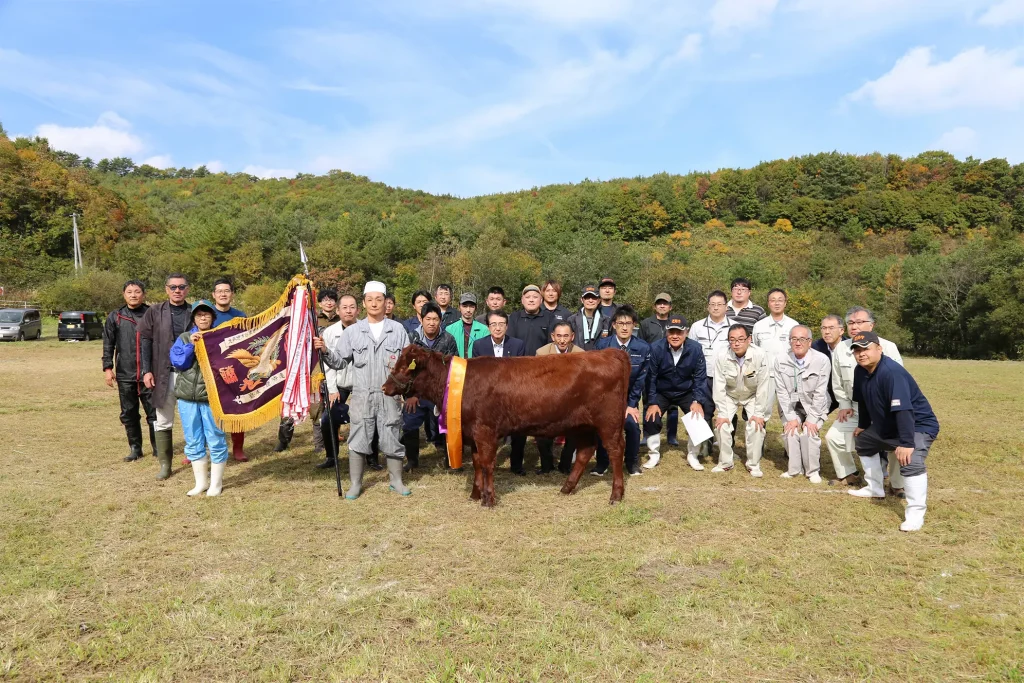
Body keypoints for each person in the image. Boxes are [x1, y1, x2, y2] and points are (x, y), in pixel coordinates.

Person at [315, 281, 412, 499]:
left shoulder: (397, 330)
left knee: (392, 434)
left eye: (379, 299)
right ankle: (356, 484)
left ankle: (396, 481)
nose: (375, 304)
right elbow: (339, 362)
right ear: (364, 303)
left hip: (389, 396)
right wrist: (325, 351)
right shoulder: (353, 332)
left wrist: (405, 389)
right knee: (358, 436)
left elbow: (407, 365)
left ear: (386, 303)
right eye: (370, 300)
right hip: (362, 395)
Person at [850, 331, 939, 531]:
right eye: (856, 350)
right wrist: (863, 424)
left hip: (918, 425)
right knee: (864, 441)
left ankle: (915, 513)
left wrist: (907, 443)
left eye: (865, 348)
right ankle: (875, 487)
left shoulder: (891, 372)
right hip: (890, 424)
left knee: (910, 460)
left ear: (879, 349)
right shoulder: (860, 370)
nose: (861, 354)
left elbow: (905, 410)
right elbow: (862, 401)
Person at [828, 306, 906, 492]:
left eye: (860, 322)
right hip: (856, 408)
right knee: (833, 437)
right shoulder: (841, 349)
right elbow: (837, 381)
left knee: (899, 443)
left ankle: (897, 485)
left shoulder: (888, 347)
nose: (855, 326)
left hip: (885, 410)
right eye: (851, 323)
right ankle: (848, 474)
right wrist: (844, 405)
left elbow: (899, 382)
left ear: (872, 325)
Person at [170, 300, 229, 497]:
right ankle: (201, 483)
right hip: (187, 398)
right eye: (198, 315)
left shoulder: (220, 338)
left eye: (206, 314)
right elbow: (178, 362)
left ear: (212, 317)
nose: (202, 317)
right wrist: (191, 346)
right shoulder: (185, 337)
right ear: (193, 318)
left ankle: (216, 483)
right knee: (193, 440)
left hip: (211, 399)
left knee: (215, 438)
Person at [275, 288, 342, 455]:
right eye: (325, 299)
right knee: (296, 402)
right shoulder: (311, 318)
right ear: (319, 303)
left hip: (331, 366)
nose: (329, 302)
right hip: (309, 366)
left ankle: (321, 444)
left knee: (323, 407)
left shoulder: (341, 321)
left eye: (332, 299)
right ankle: (283, 440)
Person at [643, 315, 713, 471]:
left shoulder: (695, 348)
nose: (675, 336)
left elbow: (700, 377)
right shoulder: (655, 348)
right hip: (662, 391)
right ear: (666, 332)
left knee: (698, 416)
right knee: (651, 417)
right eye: (671, 332)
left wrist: (697, 400)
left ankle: (693, 455)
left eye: (679, 332)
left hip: (685, 391)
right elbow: (651, 377)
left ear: (686, 333)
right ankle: (653, 454)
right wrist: (652, 402)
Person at [139, 273, 192, 480]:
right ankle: (165, 464)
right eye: (173, 287)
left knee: (193, 419)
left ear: (187, 289)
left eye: (181, 287)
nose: (177, 290)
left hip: (190, 374)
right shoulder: (154, 311)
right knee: (162, 419)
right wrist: (146, 370)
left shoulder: (195, 311)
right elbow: (145, 340)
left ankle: (195, 458)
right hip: (163, 373)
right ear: (166, 289)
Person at [102, 279, 156, 463]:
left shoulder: (152, 314)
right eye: (130, 292)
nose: (133, 295)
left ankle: (158, 447)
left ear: (144, 294)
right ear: (124, 294)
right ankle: (135, 448)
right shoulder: (115, 316)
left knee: (154, 413)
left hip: (149, 373)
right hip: (125, 373)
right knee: (129, 412)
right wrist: (108, 367)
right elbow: (108, 343)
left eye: (137, 291)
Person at [472, 310, 529, 475]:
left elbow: (522, 375)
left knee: (519, 431)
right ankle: (487, 464)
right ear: (488, 327)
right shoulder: (479, 345)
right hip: (487, 398)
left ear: (507, 326)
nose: (497, 328)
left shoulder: (518, 345)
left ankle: (517, 465)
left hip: (513, 397)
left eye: (501, 324)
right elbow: (476, 377)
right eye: (493, 324)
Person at [402, 302, 458, 472]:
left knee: (447, 424)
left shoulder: (448, 339)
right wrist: (410, 395)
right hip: (417, 394)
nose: (432, 323)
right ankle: (412, 460)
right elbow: (406, 370)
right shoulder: (411, 338)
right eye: (428, 319)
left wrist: (445, 396)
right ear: (421, 319)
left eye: (435, 319)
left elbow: (453, 367)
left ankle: (450, 458)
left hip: (440, 393)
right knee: (410, 423)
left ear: (440, 321)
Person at [595, 306, 650, 476]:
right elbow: (597, 377)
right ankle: (602, 463)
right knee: (602, 428)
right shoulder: (603, 345)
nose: (624, 327)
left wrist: (632, 404)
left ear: (634, 325)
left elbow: (640, 380)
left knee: (632, 426)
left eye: (628, 323)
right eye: (621, 323)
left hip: (628, 399)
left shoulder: (643, 348)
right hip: (605, 399)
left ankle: (631, 462)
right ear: (613, 325)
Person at [712, 324, 773, 477]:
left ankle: (753, 464)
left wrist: (759, 413)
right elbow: (718, 386)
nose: (736, 343)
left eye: (740, 339)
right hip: (729, 395)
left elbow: (764, 386)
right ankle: (726, 462)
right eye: (732, 340)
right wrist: (722, 413)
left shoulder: (760, 355)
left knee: (756, 425)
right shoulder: (721, 355)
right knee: (721, 425)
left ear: (749, 339)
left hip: (752, 395)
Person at [773, 326, 831, 483]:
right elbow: (782, 392)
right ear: (789, 341)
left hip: (815, 405)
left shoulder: (822, 360)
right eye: (794, 339)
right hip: (791, 405)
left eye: (802, 339)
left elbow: (821, 392)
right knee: (790, 430)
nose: (797, 343)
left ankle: (812, 471)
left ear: (809, 342)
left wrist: (812, 418)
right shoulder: (780, 360)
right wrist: (791, 417)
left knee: (808, 432)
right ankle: (794, 469)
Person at [315, 293, 358, 471]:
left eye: (352, 307)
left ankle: (370, 456)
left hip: (360, 383)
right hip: (339, 383)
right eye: (345, 308)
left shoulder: (365, 329)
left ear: (358, 310)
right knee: (327, 419)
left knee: (368, 417)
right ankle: (331, 456)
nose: (348, 311)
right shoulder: (330, 333)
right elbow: (329, 364)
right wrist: (332, 390)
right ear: (338, 311)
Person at [535, 321, 585, 474]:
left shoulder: (580, 354)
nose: (562, 340)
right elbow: (538, 381)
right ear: (552, 336)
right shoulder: (541, 353)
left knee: (574, 433)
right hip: (548, 400)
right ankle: (546, 465)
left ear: (572, 337)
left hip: (571, 402)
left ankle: (565, 465)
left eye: (566, 336)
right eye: (559, 336)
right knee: (542, 435)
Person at [210, 277, 249, 462]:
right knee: (208, 410)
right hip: (211, 370)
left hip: (235, 369)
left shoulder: (240, 316)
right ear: (213, 295)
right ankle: (201, 448)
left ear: (232, 294)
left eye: (226, 291)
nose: (223, 294)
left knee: (236, 407)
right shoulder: (207, 315)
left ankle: (238, 448)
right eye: (219, 291)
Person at [690, 290, 732, 449]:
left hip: (726, 377)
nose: (716, 308)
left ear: (726, 307)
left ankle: (726, 446)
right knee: (703, 411)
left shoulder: (733, 327)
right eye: (712, 304)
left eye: (719, 304)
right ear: (708, 307)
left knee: (727, 411)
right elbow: (691, 350)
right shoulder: (697, 326)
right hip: (703, 376)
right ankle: (703, 447)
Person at [812, 314, 845, 415]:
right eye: (824, 328)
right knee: (811, 418)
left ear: (841, 331)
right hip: (826, 391)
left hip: (847, 393)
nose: (827, 332)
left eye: (831, 328)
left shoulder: (851, 347)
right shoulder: (815, 347)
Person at [507, 285, 552, 356]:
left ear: (541, 300)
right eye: (527, 297)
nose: (531, 300)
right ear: (522, 300)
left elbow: (552, 344)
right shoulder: (514, 317)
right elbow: (509, 342)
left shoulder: (549, 317)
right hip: (518, 362)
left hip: (542, 362)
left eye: (535, 297)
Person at [567, 284, 610, 351]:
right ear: (582, 300)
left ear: (598, 301)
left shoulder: (606, 321)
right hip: (578, 357)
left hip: (599, 359)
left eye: (594, 298)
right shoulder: (572, 320)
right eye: (587, 298)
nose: (590, 300)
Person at [446, 292, 489, 358]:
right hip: (456, 366)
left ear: (476, 308)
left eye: (471, 306)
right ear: (459, 307)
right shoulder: (450, 329)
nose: (468, 310)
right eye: (465, 306)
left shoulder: (484, 330)